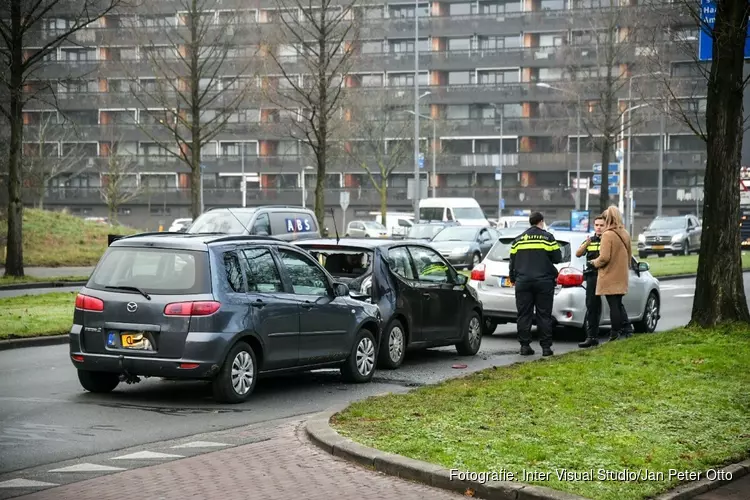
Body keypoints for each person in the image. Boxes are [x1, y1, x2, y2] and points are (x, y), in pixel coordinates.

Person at [509, 211, 563, 356]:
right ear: (541, 221)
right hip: (543, 282)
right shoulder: (548, 238)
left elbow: (512, 262)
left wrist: (513, 278)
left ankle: (524, 346)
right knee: (543, 314)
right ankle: (546, 348)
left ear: (530, 222)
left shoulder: (518, 240)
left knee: (523, 314)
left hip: (523, 282)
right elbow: (558, 258)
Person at [589, 206, 632, 341]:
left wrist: (594, 263)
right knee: (618, 304)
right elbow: (629, 254)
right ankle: (621, 330)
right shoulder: (624, 233)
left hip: (610, 274)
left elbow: (604, 257)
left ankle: (614, 333)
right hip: (621, 274)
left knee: (613, 304)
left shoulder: (607, 235)